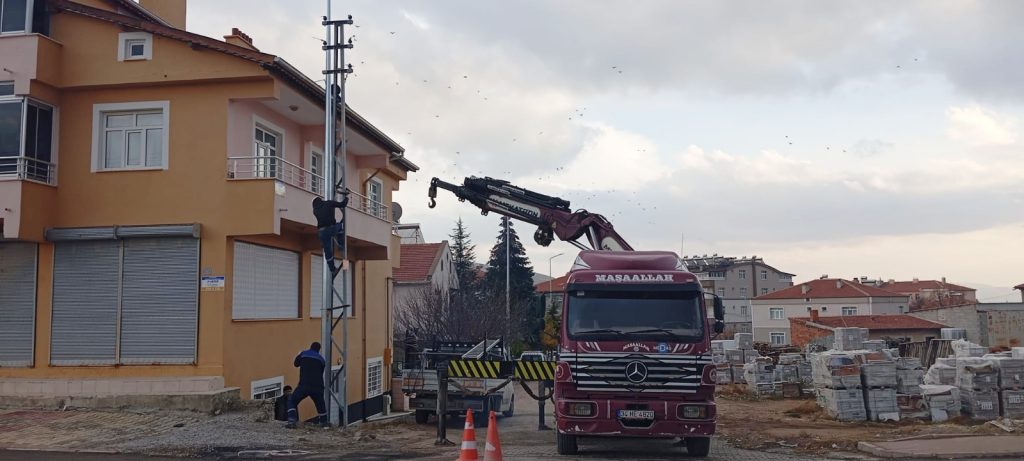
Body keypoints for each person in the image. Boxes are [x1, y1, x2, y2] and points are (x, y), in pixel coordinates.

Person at [286, 342, 328, 428]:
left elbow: (296, 364)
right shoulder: (322, 360)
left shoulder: (303, 354)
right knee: (321, 405)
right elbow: (321, 372)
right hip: (318, 387)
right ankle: (324, 424)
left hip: (304, 385)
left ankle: (291, 421)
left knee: (292, 400)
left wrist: (299, 355)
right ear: (318, 350)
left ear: (310, 347)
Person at [312, 192, 350, 274]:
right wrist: (346, 197)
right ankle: (341, 245)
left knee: (328, 252)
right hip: (331, 228)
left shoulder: (315, 211)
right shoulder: (328, 203)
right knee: (340, 227)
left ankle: (332, 269)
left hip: (322, 232)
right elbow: (343, 204)